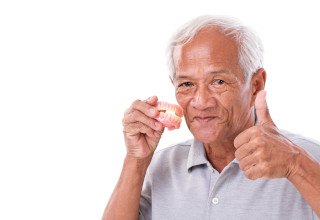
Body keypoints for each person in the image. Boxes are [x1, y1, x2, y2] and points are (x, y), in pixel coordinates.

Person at [102, 15, 320, 220]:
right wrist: (136, 161)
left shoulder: (307, 157)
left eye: (219, 82)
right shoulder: (162, 164)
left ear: (256, 85)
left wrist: (295, 164)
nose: (201, 102)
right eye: (187, 84)